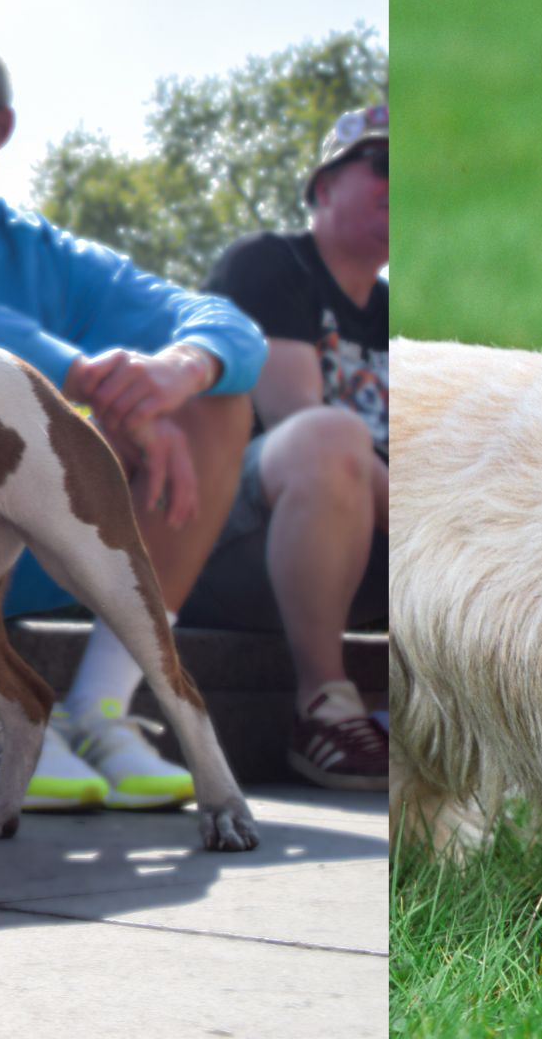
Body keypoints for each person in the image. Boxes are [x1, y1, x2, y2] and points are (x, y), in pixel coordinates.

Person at [0, 36, 265, 811]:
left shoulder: (44, 250)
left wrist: (178, 372)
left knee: (217, 400)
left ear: (0, 126)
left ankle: (99, 710)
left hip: (39, 536)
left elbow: (225, 325)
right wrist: (81, 381)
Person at [185, 104, 390, 790]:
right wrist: (436, 521)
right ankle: (322, 707)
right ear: (323, 187)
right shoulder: (269, 265)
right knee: (328, 439)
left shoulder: (392, 309)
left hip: (360, 546)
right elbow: (292, 415)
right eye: (382, 165)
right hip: (224, 544)